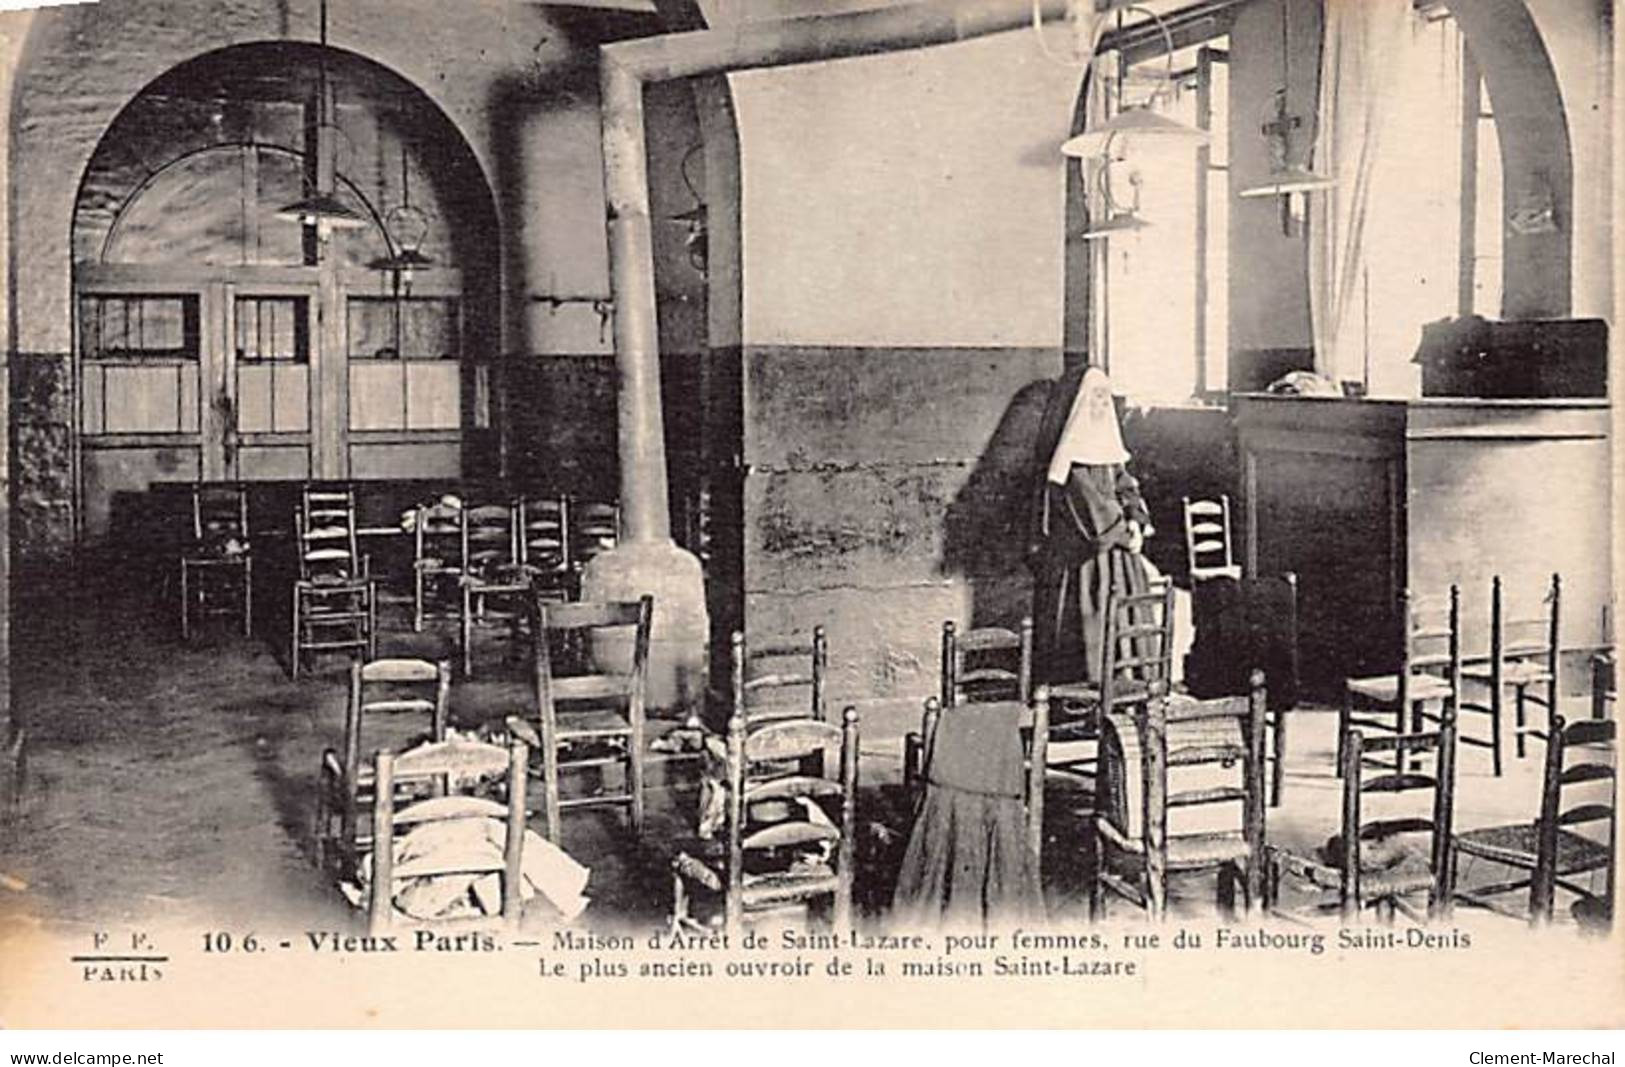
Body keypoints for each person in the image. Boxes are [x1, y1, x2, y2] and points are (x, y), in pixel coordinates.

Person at [1028, 364, 1152, 685]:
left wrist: (1137, 519)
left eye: (1104, 398)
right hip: (1084, 558)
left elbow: (1126, 486)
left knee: (1123, 621)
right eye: (1093, 398)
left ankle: (1123, 689)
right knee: (1085, 625)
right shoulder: (1071, 462)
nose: (1099, 405)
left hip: (1118, 553)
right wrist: (1126, 534)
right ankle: (1084, 703)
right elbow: (1093, 513)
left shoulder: (1110, 450)